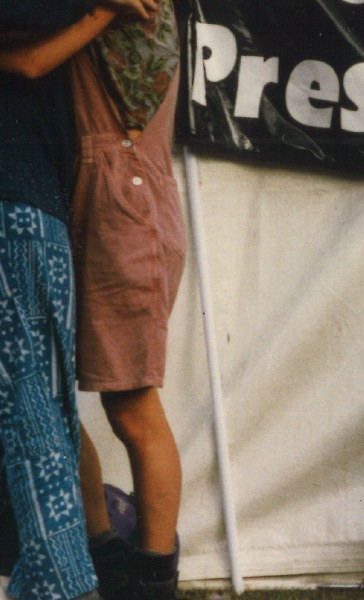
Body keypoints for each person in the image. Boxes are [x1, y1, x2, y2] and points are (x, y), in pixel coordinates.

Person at [0, 1, 154, 599]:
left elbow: (32, 57)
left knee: (36, 405)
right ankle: (60, 581)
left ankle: (60, 582)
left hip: (29, 214)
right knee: (37, 405)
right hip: (28, 214)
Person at [66, 2, 185, 598]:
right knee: (56, 401)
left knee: (132, 408)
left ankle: (153, 573)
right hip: (103, 206)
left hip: (124, 210)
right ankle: (106, 552)